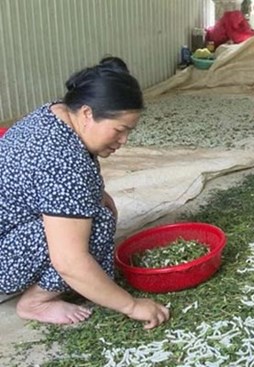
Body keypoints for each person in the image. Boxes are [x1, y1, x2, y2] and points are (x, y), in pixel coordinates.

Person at [0, 57, 170, 329]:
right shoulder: (65, 163)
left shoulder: (57, 111)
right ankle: (35, 302)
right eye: (120, 130)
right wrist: (131, 305)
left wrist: (95, 193)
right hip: (3, 259)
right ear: (88, 114)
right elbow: (69, 261)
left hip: (8, 229)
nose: (124, 141)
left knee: (94, 206)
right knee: (97, 223)